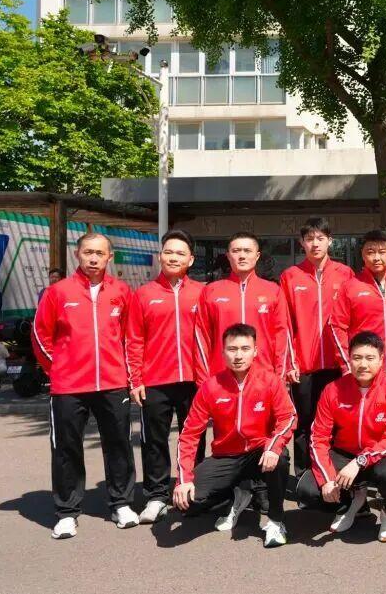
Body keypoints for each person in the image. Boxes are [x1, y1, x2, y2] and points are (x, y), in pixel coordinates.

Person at [31, 233, 137, 539]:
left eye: (99, 253)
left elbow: (130, 336)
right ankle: (67, 512)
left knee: (118, 444)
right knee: (66, 448)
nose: (93, 258)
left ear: (109, 257)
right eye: (88, 252)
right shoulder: (58, 292)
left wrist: (129, 375)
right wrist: (58, 369)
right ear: (77, 254)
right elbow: (40, 334)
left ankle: (121, 503)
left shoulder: (121, 291)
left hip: (113, 383)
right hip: (69, 386)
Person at [193, 231, 294, 528]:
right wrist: (204, 379)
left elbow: (282, 334)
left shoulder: (272, 291)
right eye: (236, 250)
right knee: (228, 437)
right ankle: (237, 492)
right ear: (228, 255)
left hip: (264, 381)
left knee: (264, 435)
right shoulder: (212, 291)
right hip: (223, 381)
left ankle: (262, 491)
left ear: (257, 256)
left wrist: (281, 374)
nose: (241, 255)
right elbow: (201, 336)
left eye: (247, 250)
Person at [172, 323, 295, 548]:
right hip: (226, 456)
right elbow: (189, 434)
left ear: (255, 351)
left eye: (245, 349)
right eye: (232, 349)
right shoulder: (210, 386)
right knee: (186, 502)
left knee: (281, 458)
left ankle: (276, 521)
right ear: (223, 352)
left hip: (260, 452)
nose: (238, 355)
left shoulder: (270, 381)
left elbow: (288, 418)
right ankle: (237, 494)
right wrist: (184, 480)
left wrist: (273, 447)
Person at [125, 229, 206, 524]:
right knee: (154, 441)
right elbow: (134, 339)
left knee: (194, 438)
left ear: (190, 259)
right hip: (155, 381)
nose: (173, 257)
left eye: (180, 253)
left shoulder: (202, 292)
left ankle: (193, 489)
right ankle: (156, 496)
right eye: (169, 252)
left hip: (195, 381)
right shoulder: (143, 294)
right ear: (160, 256)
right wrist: (135, 379)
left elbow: (212, 338)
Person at [297, 331, 386, 542]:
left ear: (381, 359)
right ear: (349, 359)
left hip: (381, 453)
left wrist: (360, 461)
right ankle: (351, 502)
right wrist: (327, 479)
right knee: (308, 490)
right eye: (357, 358)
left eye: (370, 358)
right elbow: (318, 437)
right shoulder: (332, 390)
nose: (363, 364)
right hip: (345, 452)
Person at [279, 217, 354, 476]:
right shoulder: (290, 276)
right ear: (302, 242)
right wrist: (290, 363)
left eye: (320, 238)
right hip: (304, 365)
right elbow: (284, 323)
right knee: (304, 422)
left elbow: (351, 320)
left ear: (330, 241)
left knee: (336, 421)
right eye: (309, 239)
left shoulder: (345, 274)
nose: (315, 244)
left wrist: (349, 361)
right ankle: (304, 476)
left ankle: (334, 472)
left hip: (337, 364)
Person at [330, 229, 386, 387]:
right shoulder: (350, 287)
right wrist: (346, 363)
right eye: (370, 252)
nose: (377, 257)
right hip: (364, 368)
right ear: (362, 255)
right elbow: (337, 326)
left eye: (382, 252)